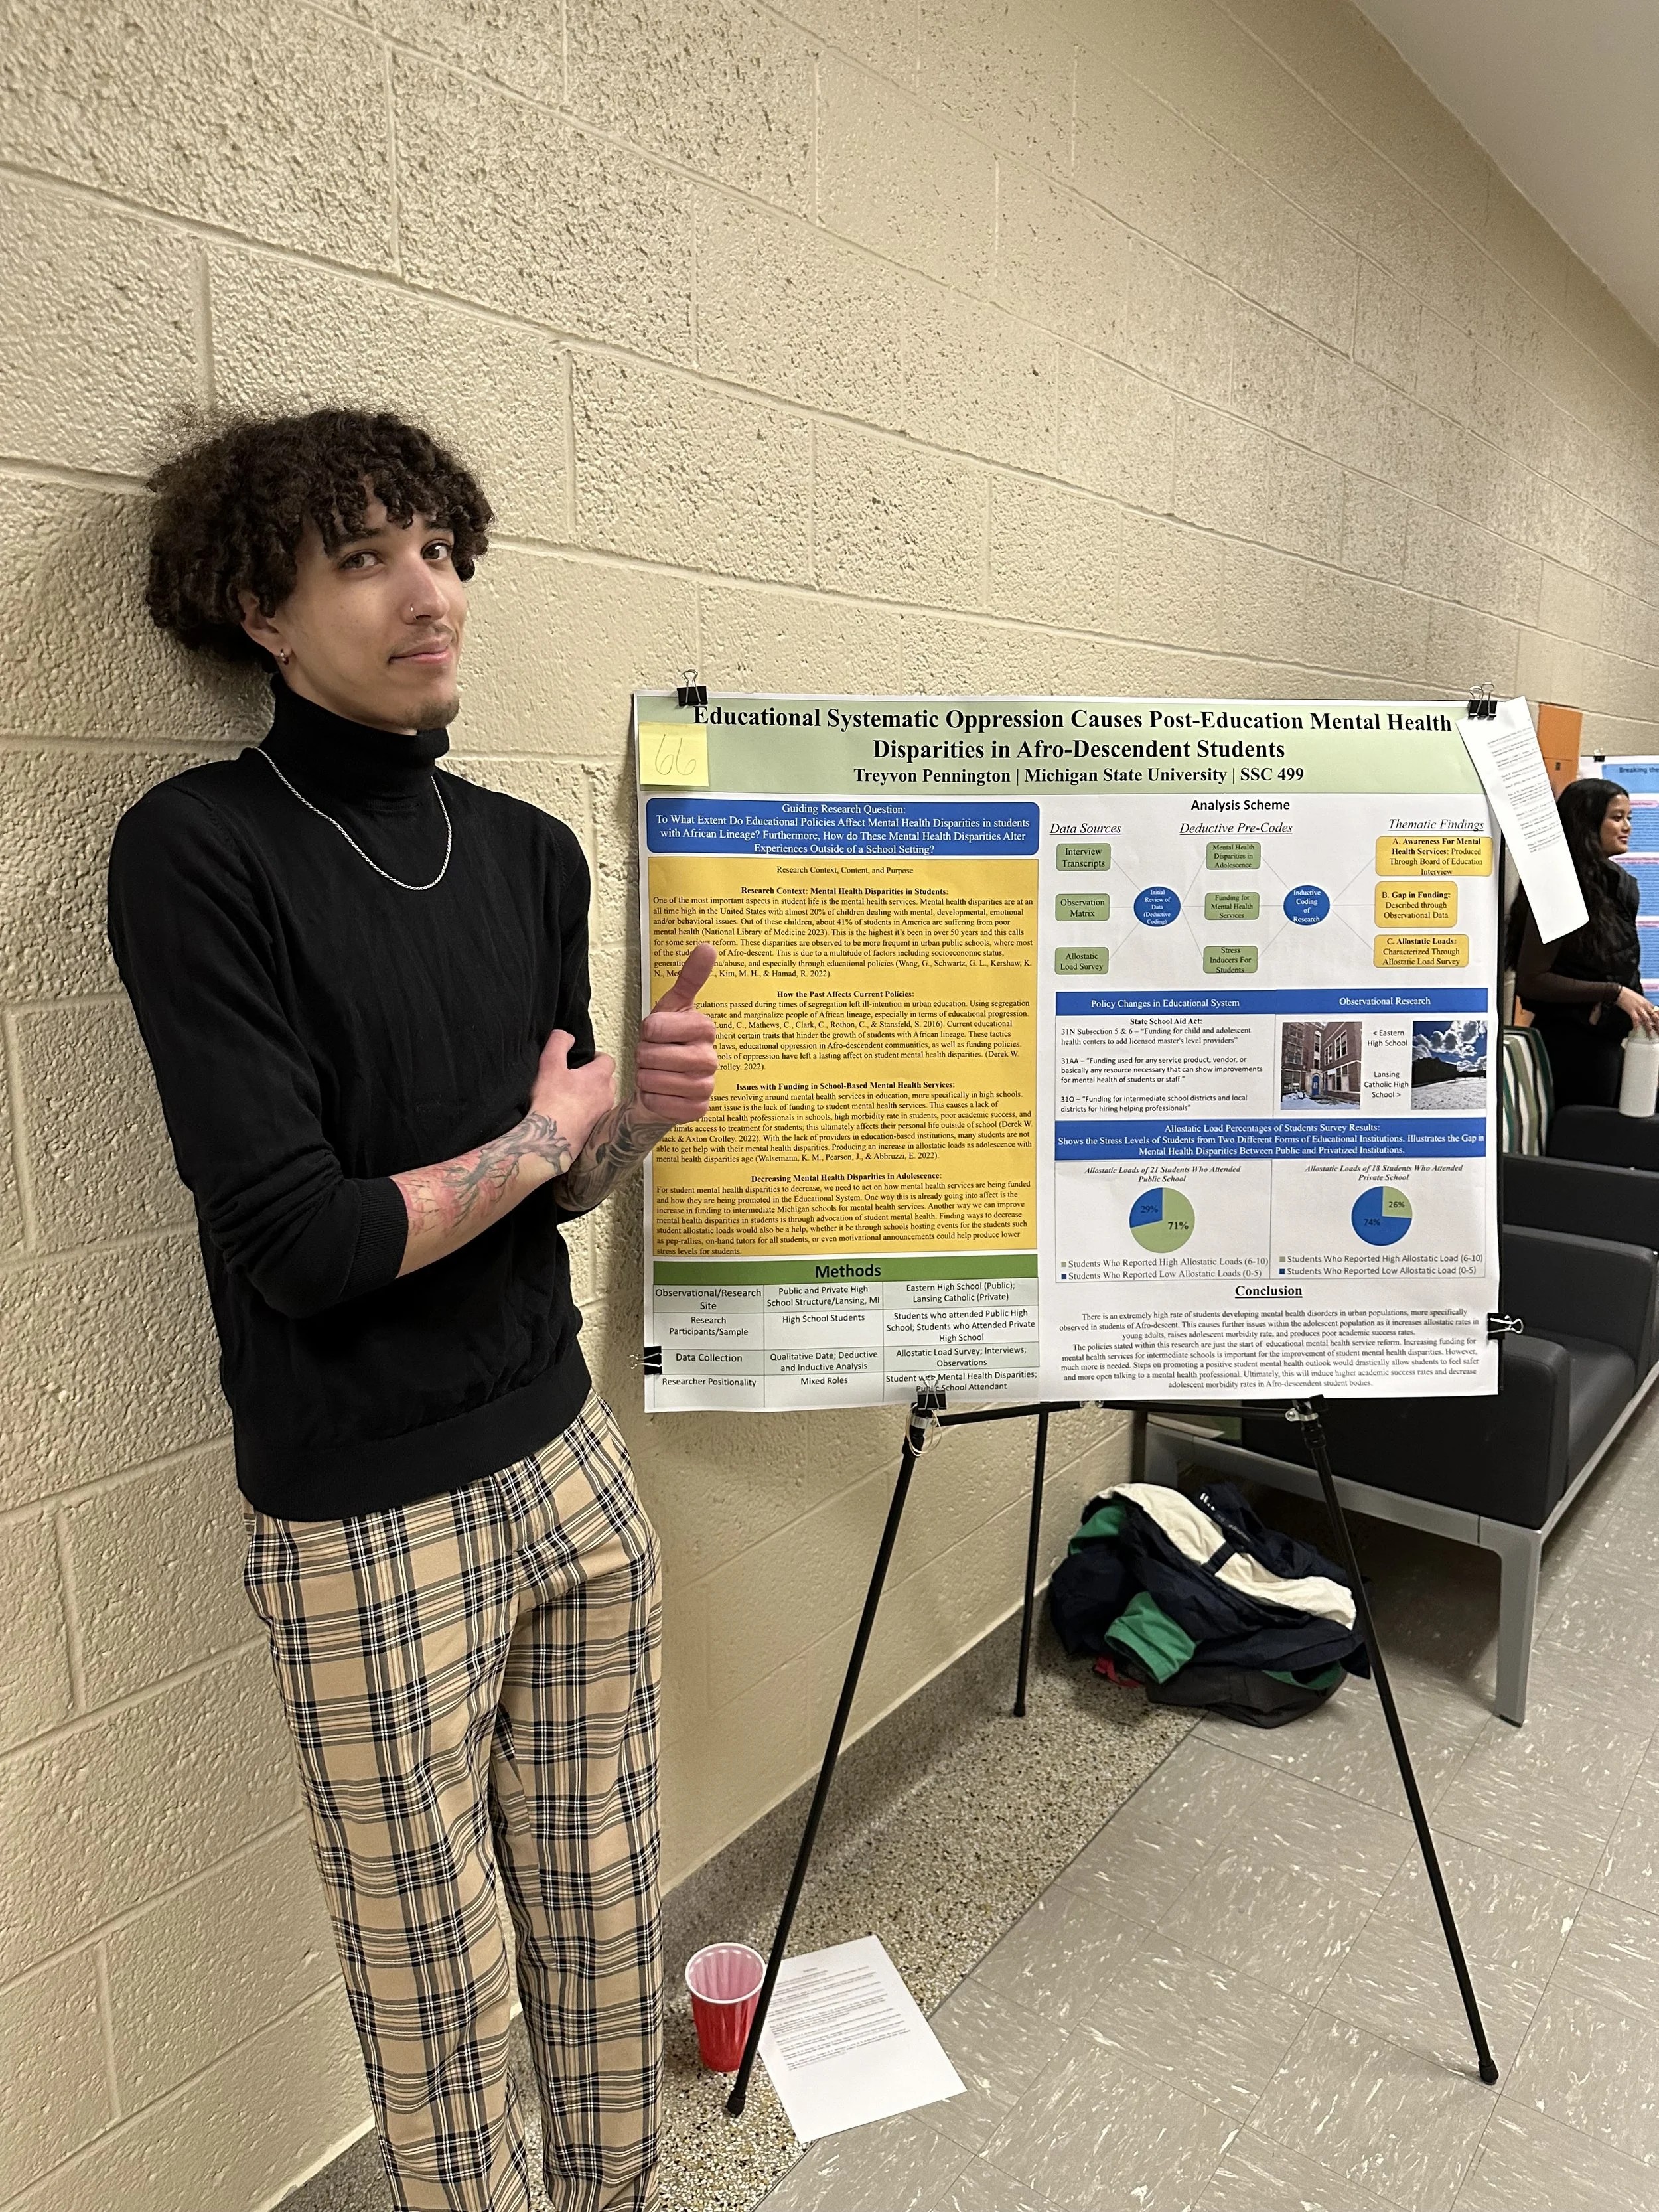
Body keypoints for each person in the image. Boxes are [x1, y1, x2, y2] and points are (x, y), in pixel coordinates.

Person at [107, 409, 717, 2212]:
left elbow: (566, 1182)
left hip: (564, 1461)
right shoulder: (196, 850)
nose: (425, 590)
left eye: (437, 547)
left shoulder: (528, 852)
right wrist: (545, 1135)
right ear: (259, 611)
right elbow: (298, 1241)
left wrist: (628, 1129)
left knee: (608, 1914)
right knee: (436, 1995)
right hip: (360, 1511)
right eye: (363, 556)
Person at [1508, 776, 1659, 1106]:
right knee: (1586, 1137)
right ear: (1587, 822)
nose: (1627, 827)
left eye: (1629, 818)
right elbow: (1532, 981)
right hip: (1572, 1044)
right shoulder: (1557, 888)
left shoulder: (1618, 885)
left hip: (1613, 1038)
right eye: (1617, 818)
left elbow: (1621, 963)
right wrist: (1613, 994)